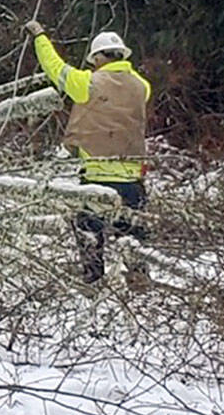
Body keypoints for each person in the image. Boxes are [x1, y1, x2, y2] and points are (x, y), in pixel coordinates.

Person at [24, 20, 151, 284]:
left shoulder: (88, 83)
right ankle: (139, 285)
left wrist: (40, 36)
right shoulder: (142, 87)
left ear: (98, 58)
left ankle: (93, 281)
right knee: (134, 239)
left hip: (97, 177)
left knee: (89, 234)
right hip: (133, 179)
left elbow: (54, 67)